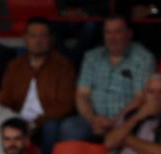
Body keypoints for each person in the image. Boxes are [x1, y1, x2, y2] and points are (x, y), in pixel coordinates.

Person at [63, 15, 155, 143]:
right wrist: (93, 120)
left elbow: (140, 98)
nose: (112, 38)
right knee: (70, 127)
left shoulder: (144, 58)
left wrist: (114, 121)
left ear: (129, 34)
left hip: (126, 121)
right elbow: (81, 94)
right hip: (93, 120)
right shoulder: (92, 56)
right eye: (108, 32)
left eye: (118, 32)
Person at [0, 17, 75, 154]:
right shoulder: (15, 66)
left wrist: (36, 122)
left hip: (45, 121)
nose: (38, 41)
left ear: (51, 39)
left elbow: (66, 105)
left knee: (51, 127)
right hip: (18, 118)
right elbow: (5, 99)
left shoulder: (63, 66)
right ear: (25, 38)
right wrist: (14, 120)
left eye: (43, 36)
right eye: (33, 36)